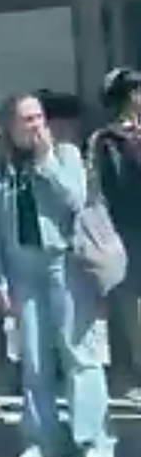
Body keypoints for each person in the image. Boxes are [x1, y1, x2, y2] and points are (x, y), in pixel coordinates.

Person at [0, 95, 113, 457]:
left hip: (63, 263)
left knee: (78, 352)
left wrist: (46, 161)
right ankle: (41, 439)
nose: (35, 125)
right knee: (34, 359)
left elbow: (76, 199)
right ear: (10, 126)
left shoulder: (65, 155)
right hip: (22, 267)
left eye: (38, 117)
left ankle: (93, 440)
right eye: (26, 119)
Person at [93, 68, 141, 401]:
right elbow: (114, 185)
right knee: (125, 303)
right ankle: (126, 374)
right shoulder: (108, 139)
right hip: (123, 227)